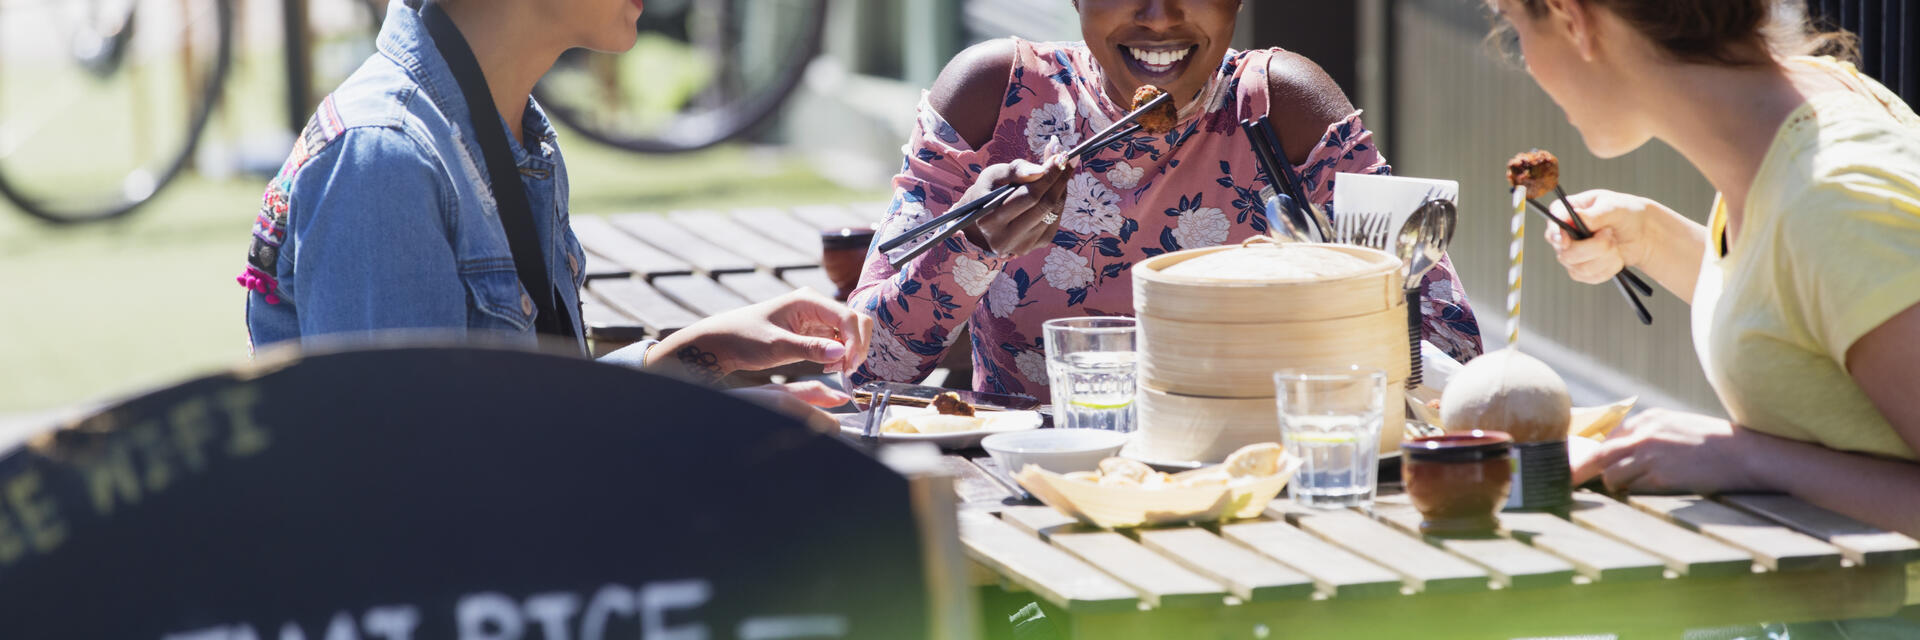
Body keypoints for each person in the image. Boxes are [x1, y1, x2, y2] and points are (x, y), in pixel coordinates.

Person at [235, 0, 869, 427]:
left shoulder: (508, 129)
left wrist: (701, 353)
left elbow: (530, 420)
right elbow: (415, 495)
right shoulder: (385, 162)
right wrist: (705, 435)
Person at [847, 0, 1484, 396]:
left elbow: (1450, 352)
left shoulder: (1282, 108)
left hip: (1252, 488)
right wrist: (975, 245)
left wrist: (1315, 298)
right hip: (1031, 494)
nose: (1160, 15)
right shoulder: (995, 97)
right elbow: (868, 365)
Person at [1493, 0, 1920, 536]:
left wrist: (1747, 457)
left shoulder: (1837, 201)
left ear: (1573, 19)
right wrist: (1652, 238)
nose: (1525, 62)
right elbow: (1807, 311)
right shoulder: (1803, 109)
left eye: (1513, 25)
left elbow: (1837, 245)